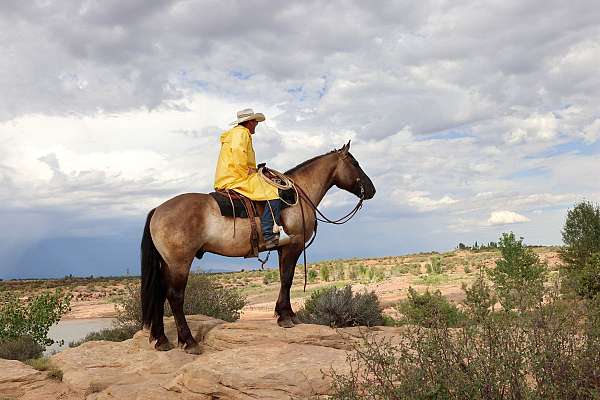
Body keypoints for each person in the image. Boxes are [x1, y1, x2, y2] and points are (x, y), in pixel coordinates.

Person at [214, 108, 284, 250]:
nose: (256, 125)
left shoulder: (233, 134)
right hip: (237, 177)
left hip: (227, 176)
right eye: (255, 122)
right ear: (249, 122)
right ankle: (269, 235)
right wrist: (251, 171)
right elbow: (239, 157)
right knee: (273, 191)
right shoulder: (242, 134)